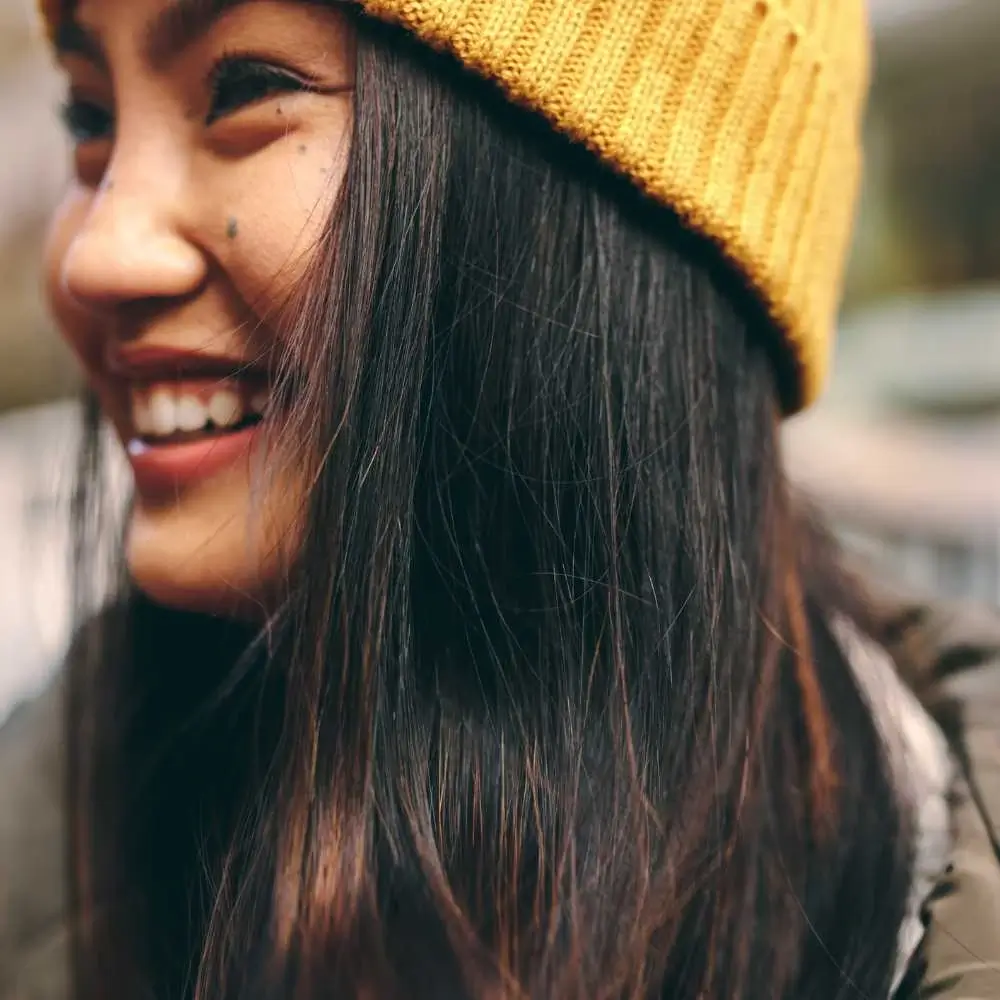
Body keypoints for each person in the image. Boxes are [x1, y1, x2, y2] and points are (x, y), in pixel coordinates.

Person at [1, 0, 998, 998]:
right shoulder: (51, 853)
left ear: (597, 201)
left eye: (249, 86)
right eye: (92, 120)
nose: (96, 256)